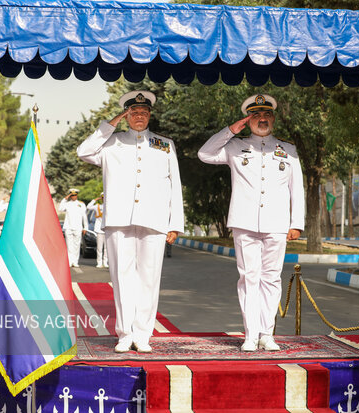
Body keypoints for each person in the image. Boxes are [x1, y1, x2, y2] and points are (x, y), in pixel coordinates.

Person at [77, 90, 184, 353]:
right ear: (126, 116)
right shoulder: (110, 143)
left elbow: (175, 185)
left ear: (150, 115)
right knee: (122, 278)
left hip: (155, 220)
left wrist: (175, 223)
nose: (139, 116)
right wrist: (110, 123)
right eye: (134, 113)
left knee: (149, 278)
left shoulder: (164, 144)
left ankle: (143, 334)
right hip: (119, 219)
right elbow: (83, 151)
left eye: (144, 113)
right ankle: (125, 334)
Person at [198, 94, 305, 352]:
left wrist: (297, 223)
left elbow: (297, 189)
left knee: (272, 278)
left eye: (267, 115)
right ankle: (250, 334)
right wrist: (230, 131)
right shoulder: (235, 147)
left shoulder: (288, 150)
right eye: (256, 115)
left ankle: (267, 334)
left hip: (277, 223)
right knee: (249, 278)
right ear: (248, 119)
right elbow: (204, 153)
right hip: (245, 222)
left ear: (273, 118)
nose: (262, 119)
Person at [58, 188, 88, 268]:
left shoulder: (81, 204)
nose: (73, 197)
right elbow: (60, 208)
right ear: (70, 196)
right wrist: (65, 199)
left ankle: (75, 261)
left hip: (78, 227)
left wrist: (85, 227)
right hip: (68, 227)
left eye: (74, 195)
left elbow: (84, 216)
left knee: (77, 245)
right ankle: (70, 261)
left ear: (77, 195)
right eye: (72, 195)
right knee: (69, 245)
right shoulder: (67, 204)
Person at [87, 193, 109, 268]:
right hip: (99, 230)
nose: (104, 199)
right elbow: (88, 207)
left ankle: (105, 262)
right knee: (99, 248)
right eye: (102, 198)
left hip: (107, 229)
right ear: (101, 198)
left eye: (105, 197)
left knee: (106, 248)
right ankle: (99, 262)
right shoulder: (97, 206)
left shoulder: (110, 206)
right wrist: (95, 200)